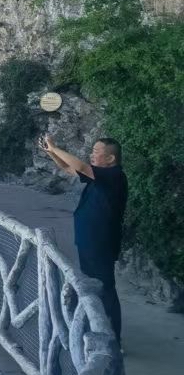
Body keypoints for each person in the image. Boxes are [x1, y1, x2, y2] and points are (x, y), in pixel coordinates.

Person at [39, 133, 128, 339]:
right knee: (91, 285)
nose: (92, 154)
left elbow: (79, 166)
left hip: (101, 241)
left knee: (105, 287)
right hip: (89, 239)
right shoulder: (102, 176)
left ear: (110, 159)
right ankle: (96, 329)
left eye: (96, 152)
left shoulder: (114, 175)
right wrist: (51, 152)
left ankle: (113, 338)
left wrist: (55, 146)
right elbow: (68, 168)